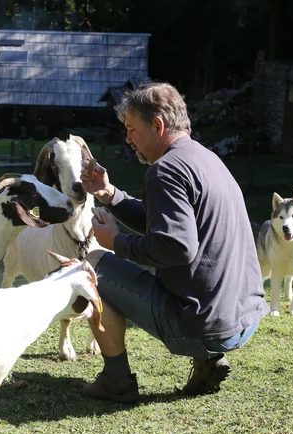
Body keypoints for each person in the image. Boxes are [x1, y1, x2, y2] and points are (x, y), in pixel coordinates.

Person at [79, 82, 269, 404]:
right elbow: (168, 226)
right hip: (242, 322)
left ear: (158, 125)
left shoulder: (164, 171)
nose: (128, 139)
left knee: (92, 269)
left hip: (200, 327)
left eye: (131, 129)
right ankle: (209, 360)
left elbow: (177, 248)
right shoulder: (205, 159)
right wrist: (110, 196)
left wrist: (116, 242)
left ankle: (116, 381)